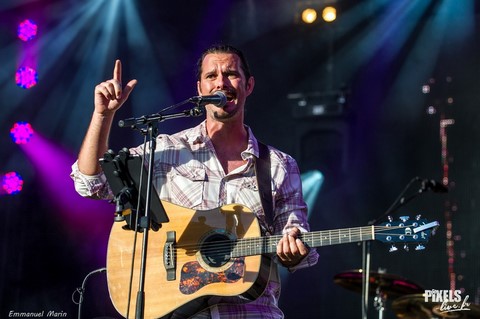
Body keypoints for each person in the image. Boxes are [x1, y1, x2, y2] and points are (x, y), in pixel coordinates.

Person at [71, 44, 319, 318]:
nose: (221, 82)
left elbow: (297, 238)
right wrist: (103, 115)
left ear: (248, 85)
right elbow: (90, 183)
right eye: (211, 76)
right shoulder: (165, 151)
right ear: (200, 88)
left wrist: (295, 249)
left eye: (231, 74)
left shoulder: (278, 165)